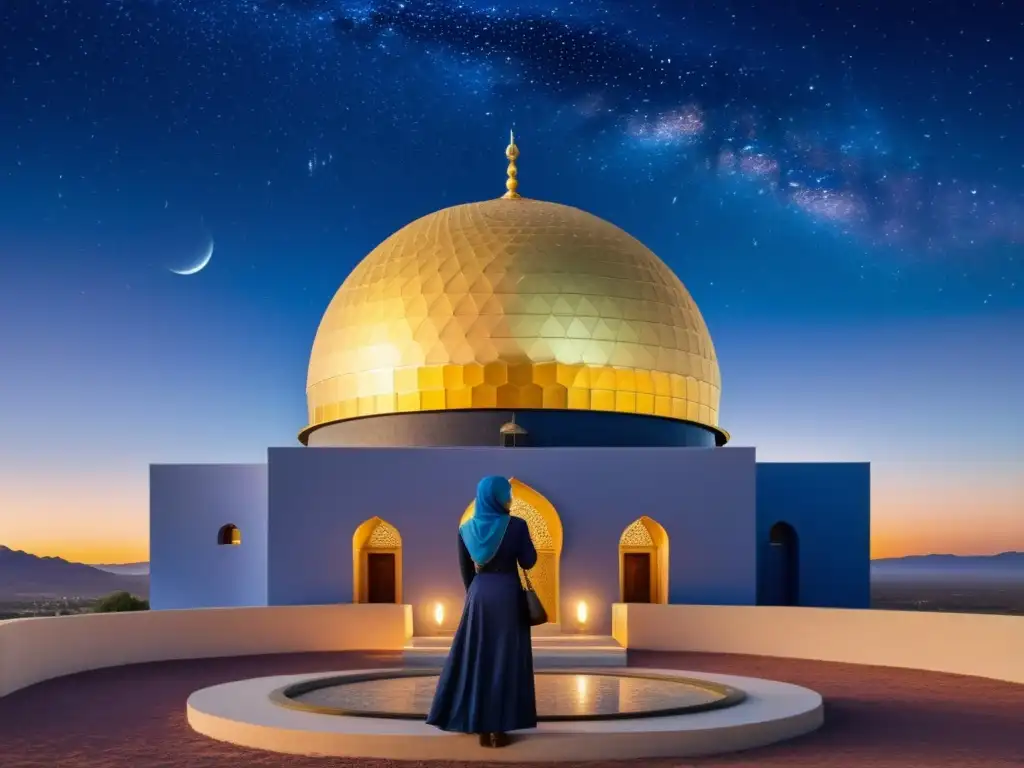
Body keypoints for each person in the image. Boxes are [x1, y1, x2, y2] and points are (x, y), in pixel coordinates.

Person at [426, 475, 539, 748]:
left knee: (479, 658)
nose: (510, 498)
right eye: (507, 494)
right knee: (504, 659)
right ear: (499, 497)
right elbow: (530, 561)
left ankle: (478, 725)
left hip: (479, 596)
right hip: (508, 595)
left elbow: (466, 572)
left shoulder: (466, 528)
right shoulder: (516, 525)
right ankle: (499, 729)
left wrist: (477, 596)